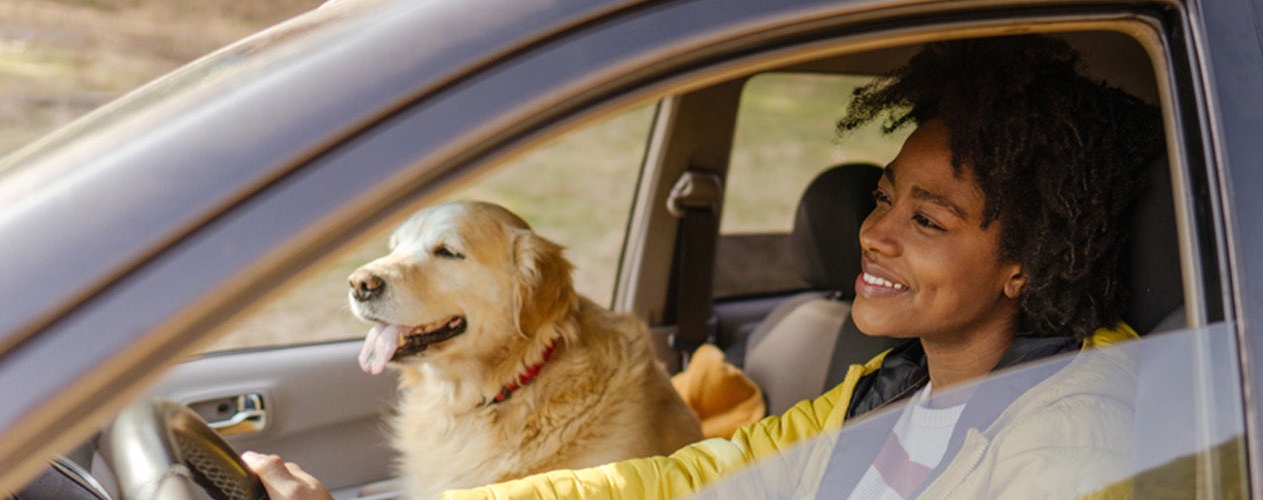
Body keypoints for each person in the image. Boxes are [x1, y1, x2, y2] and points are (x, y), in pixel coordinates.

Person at [245, 33, 1163, 499]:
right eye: (883, 198)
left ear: (1026, 262)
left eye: (928, 218)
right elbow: (684, 479)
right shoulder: (888, 389)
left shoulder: (1072, 436)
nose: (874, 234)